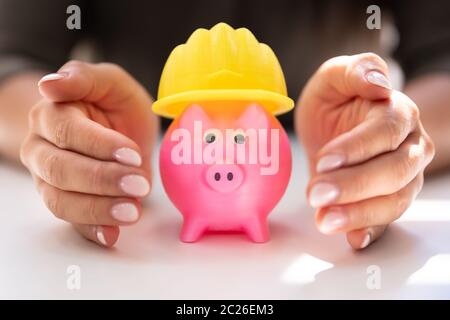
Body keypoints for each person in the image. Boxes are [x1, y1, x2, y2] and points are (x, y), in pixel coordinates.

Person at [0, 0, 446, 249]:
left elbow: (442, 57)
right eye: (212, 138)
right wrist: (76, 134)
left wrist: (383, 132)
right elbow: (11, 58)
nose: (225, 160)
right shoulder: (176, 131)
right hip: (140, 129)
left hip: (332, 127)